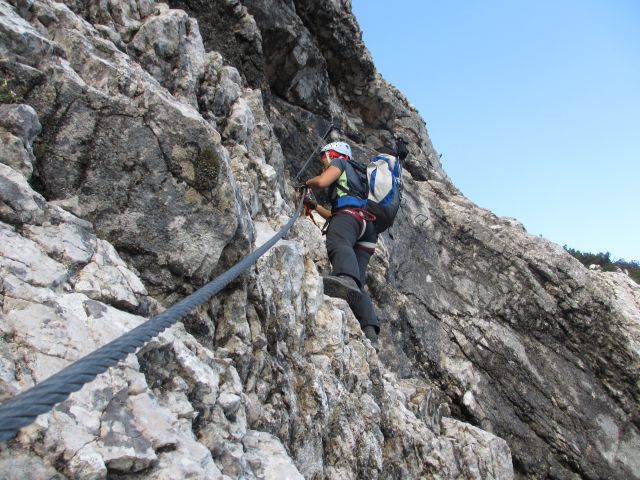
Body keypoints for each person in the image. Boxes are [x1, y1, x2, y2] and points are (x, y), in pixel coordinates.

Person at [304, 141, 380, 350]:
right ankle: (370, 330)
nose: (324, 165)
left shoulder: (340, 161)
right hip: (368, 227)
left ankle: (344, 278)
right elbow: (335, 214)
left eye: (324, 160)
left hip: (350, 219)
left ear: (332, 154)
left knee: (338, 242)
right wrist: (316, 206)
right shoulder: (361, 177)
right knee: (358, 279)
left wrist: (307, 183)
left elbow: (322, 182)